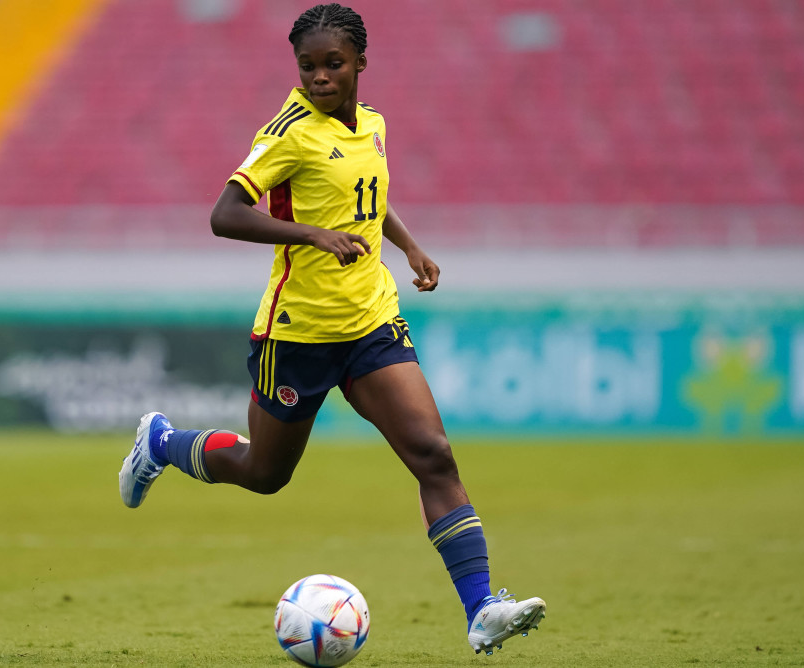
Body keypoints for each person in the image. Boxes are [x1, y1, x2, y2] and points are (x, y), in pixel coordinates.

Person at [119, 4, 544, 655]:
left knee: (432, 453)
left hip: (370, 322)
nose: (319, 77)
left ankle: (482, 607)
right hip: (297, 334)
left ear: (359, 64)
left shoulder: (371, 123)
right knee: (265, 472)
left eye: (332, 64)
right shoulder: (288, 131)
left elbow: (365, 194)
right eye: (308, 66)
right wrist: (310, 234)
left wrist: (407, 245)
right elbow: (224, 214)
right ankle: (163, 443)